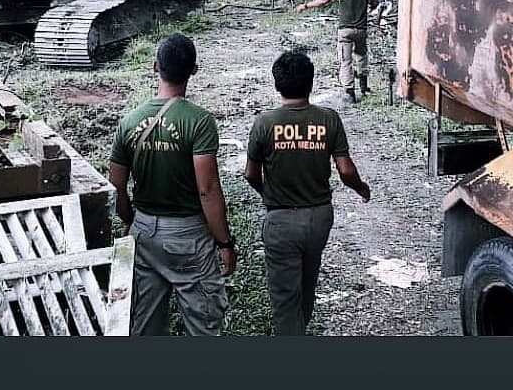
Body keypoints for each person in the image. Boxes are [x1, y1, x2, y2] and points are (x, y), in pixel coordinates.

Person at [107, 33, 237, 336]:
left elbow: (116, 186)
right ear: (194, 70)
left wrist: (130, 221)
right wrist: (225, 243)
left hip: (144, 233)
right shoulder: (199, 121)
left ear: (155, 67)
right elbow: (208, 190)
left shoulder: (129, 121)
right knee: (202, 323)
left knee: (145, 323)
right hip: (189, 237)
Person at [244, 51, 371, 335]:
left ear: (277, 85)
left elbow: (251, 174)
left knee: (284, 299)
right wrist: (362, 189)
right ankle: (301, 327)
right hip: (319, 219)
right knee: (307, 281)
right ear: (311, 83)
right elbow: (346, 171)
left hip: (280, 220)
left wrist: (268, 194)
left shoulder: (264, 123)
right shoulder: (328, 119)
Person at [295, 0, 383, 104]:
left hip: (345, 30)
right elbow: (376, 5)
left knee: (345, 61)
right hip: (361, 29)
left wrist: (305, 5)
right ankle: (364, 87)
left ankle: (350, 93)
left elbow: (324, 0)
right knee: (362, 57)